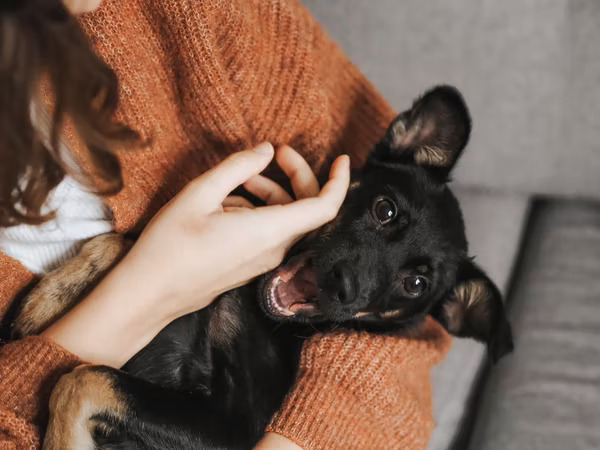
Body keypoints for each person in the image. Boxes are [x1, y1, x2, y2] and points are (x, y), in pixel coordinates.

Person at [0, 0, 451, 449]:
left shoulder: (206, 17)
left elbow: (407, 350)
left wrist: (295, 437)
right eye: (384, 216)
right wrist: (149, 286)